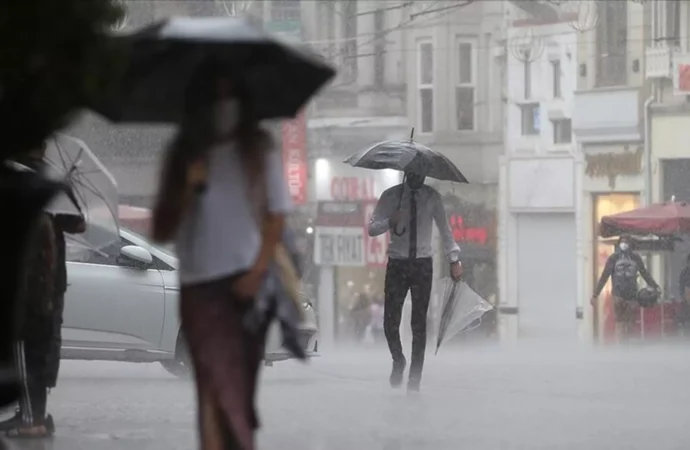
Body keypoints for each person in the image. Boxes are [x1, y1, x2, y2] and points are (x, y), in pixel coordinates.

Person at [151, 62, 291, 450]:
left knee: (238, 390)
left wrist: (258, 270)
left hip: (247, 284)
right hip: (199, 287)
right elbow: (161, 228)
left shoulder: (258, 149)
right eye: (215, 95)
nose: (223, 103)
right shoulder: (183, 152)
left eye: (230, 94)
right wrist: (186, 187)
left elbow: (277, 215)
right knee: (212, 387)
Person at [369, 172, 462, 392]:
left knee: (418, 325)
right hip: (398, 263)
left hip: (422, 265)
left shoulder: (432, 197)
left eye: (422, 169)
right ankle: (398, 359)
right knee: (390, 323)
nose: (419, 174)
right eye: (414, 168)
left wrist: (454, 258)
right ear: (406, 171)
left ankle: (415, 378)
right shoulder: (391, 196)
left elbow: (445, 230)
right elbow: (372, 228)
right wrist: (390, 221)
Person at [591, 235, 660, 340]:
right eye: (622, 241)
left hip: (630, 296)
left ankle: (624, 344)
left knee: (628, 323)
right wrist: (595, 294)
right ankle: (623, 344)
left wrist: (655, 286)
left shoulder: (627, 258)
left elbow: (644, 274)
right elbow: (604, 277)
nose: (624, 244)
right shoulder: (615, 258)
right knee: (621, 322)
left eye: (626, 242)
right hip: (619, 295)